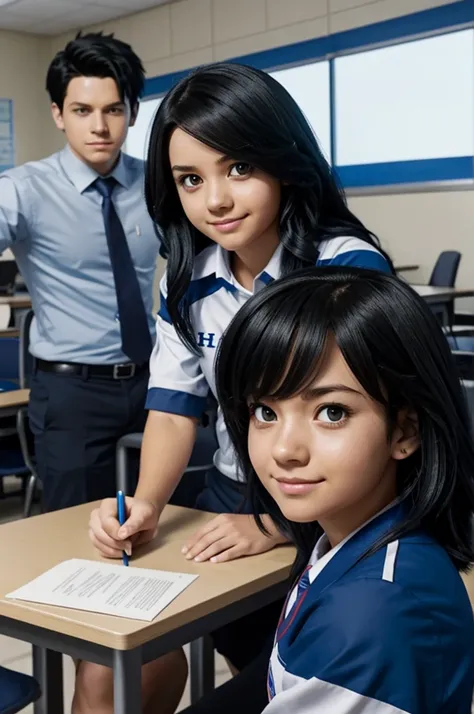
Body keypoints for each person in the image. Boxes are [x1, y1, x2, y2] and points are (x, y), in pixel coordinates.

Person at [89, 62, 393, 681]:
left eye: (239, 168)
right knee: (122, 663)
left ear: (282, 159)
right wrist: (146, 504)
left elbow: (375, 432)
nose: (216, 200)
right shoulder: (189, 283)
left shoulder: (348, 270)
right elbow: (174, 408)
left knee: (296, 671)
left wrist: (279, 522)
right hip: (231, 490)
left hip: (340, 506)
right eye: (190, 180)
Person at [0, 32, 186, 714]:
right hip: (71, 389)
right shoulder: (24, 189)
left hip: (159, 383)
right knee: (77, 554)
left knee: (174, 529)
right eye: (83, 110)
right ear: (58, 113)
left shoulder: (159, 184)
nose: (100, 126)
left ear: (132, 110)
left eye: (113, 109)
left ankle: (161, 661)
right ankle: (87, 689)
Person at [210, 266, 474, 713]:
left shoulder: (374, 614)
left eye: (331, 412)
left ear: (404, 430)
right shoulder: (349, 543)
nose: (285, 450)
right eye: (265, 411)